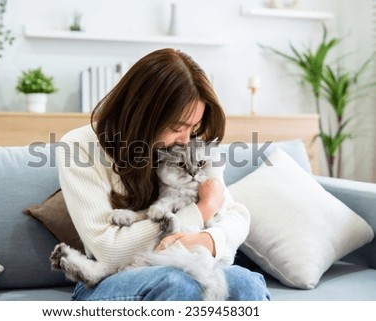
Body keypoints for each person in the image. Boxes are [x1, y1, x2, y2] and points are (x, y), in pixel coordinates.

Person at [56, 48, 270, 301]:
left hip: (186, 265)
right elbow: (110, 250)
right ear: (142, 114)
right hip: (111, 277)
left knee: (246, 283)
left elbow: (236, 217)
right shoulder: (78, 147)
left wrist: (207, 239)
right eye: (177, 127)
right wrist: (201, 210)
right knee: (178, 284)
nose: (185, 140)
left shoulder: (192, 149)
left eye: (193, 128)